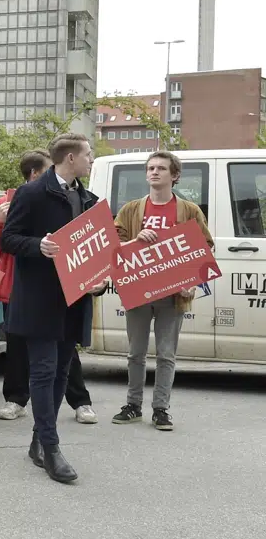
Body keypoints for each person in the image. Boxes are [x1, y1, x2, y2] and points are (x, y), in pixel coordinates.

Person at [0, 134, 104, 484]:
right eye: (89, 154)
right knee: (43, 372)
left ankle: (37, 441)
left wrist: (100, 278)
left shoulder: (86, 198)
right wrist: (37, 245)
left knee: (61, 371)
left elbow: (94, 250)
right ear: (71, 158)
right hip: (40, 299)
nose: (92, 159)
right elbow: (8, 238)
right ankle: (51, 446)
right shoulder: (30, 193)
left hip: (74, 300)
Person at [0, 151, 98, 424]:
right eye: (48, 170)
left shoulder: (77, 198)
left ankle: (79, 400)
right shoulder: (9, 201)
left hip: (56, 287)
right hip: (15, 287)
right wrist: (0, 221)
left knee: (63, 352)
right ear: (35, 174)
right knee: (19, 347)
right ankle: (15, 399)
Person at [112, 150, 212, 431]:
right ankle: (133, 405)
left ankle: (161, 409)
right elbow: (113, 245)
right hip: (139, 291)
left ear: (175, 176)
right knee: (136, 353)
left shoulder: (189, 210)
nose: (154, 172)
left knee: (166, 354)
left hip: (173, 294)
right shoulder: (132, 209)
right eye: (150, 168)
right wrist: (135, 239)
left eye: (161, 168)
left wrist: (192, 281)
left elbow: (205, 246)